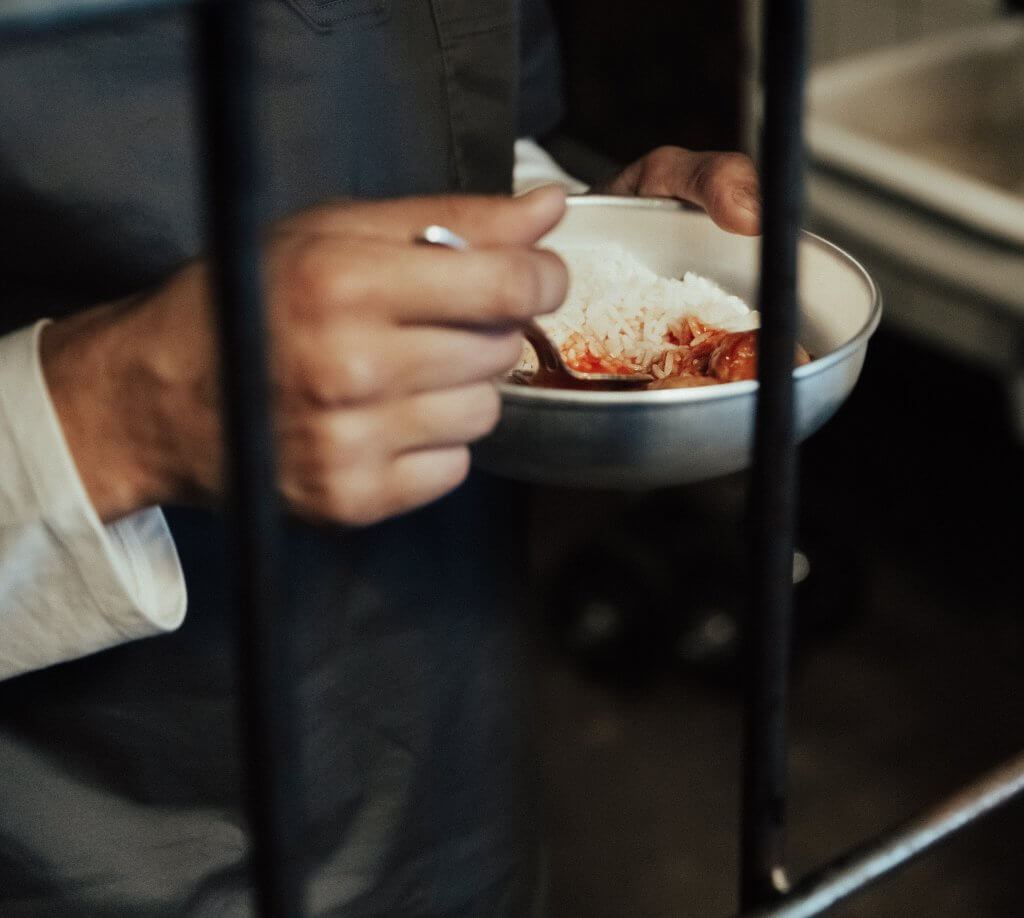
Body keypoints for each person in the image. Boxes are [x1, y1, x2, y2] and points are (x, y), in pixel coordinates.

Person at [0, 0, 760, 913]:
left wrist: (583, 246)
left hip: (439, 731)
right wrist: (109, 413)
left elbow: (459, 124)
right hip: (82, 816)